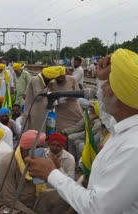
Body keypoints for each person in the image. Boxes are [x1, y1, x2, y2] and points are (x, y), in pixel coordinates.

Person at [25, 49, 138, 214]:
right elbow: (106, 113)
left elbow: (98, 208)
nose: (101, 91)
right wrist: (102, 76)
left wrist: (51, 174)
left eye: (107, 86)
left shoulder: (133, 148)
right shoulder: (121, 128)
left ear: (120, 95)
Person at [0, 130, 50, 214]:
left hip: (34, 202)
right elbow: (8, 198)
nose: (39, 151)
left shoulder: (40, 158)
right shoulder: (8, 162)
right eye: (36, 148)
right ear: (24, 148)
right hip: (13, 206)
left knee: (58, 198)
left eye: (41, 147)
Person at [21, 66, 60, 132]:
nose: (51, 80)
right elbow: (38, 96)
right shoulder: (36, 80)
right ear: (46, 76)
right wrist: (48, 87)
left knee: (40, 131)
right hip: (34, 111)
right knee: (34, 132)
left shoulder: (44, 81)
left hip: (41, 111)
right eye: (51, 78)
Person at [50, 66, 84, 131]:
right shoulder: (52, 83)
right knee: (62, 131)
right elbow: (50, 96)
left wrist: (67, 98)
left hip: (73, 110)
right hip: (61, 113)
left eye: (61, 76)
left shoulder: (72, 80)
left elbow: (78, 93)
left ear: (65, 74)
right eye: (58, 77)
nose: (59, 79)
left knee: (78, 128)